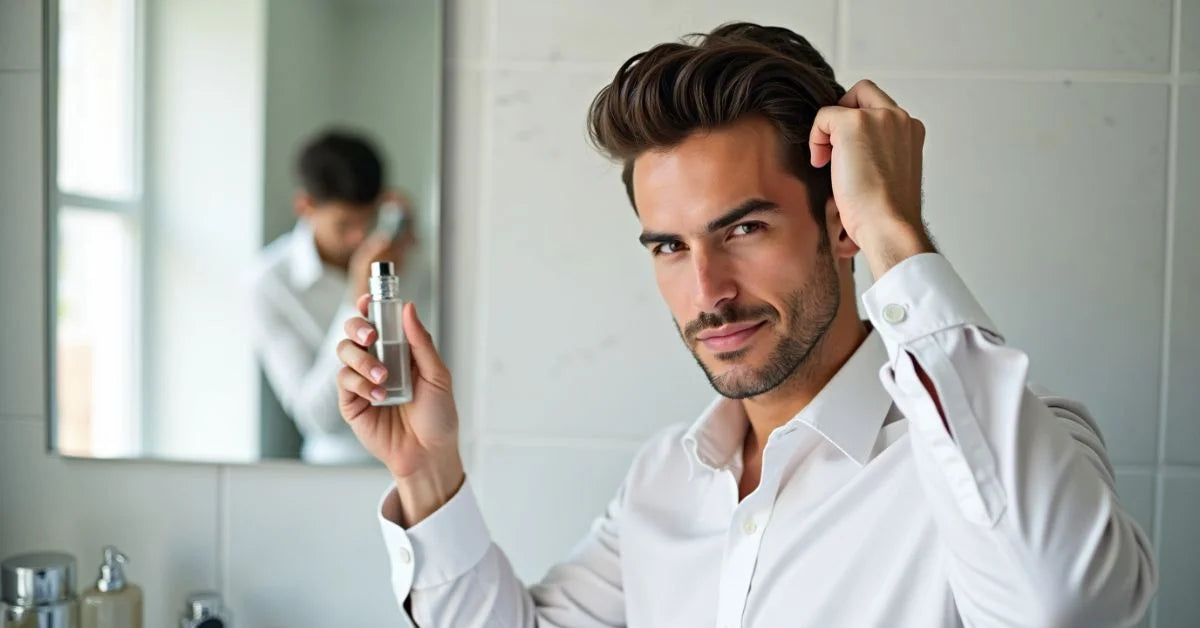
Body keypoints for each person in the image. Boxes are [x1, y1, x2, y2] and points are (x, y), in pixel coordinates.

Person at [334, 23, 1157, 626]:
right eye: (668, 246)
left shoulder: (1018, 449)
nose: (707, 292)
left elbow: (1066, 607)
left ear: (843, 226)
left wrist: (899, 237)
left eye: (743, 230)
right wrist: (428, 471)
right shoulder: (665, 479)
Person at [250, 129, 415, 464]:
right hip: (337, 470)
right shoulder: (268, 285)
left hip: (418, 461)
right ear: (305, 206)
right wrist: (358, 296)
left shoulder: (407, 258)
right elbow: (315, 418)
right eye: (343, 224)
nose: (358, 238)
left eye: (366, 221)